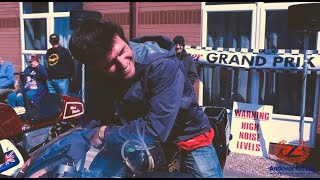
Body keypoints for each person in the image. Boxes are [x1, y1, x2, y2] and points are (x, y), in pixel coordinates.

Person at [69, 19, 223, 178]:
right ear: (96, 68)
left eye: (122, 51)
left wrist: (105, 133)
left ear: (124, 39)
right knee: (98, 173)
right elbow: (89, 123)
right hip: (135, 134)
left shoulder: (161, 64)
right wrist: (52, 163)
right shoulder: (96, 77)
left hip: (186, 132)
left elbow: (155, 129)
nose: (123, 64)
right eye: (110, 64)